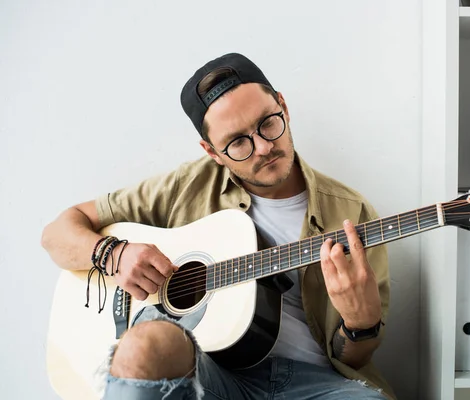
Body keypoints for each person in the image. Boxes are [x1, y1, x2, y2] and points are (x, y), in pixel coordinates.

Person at [41, 53, 395, 400]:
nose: (263, 147)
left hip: (313, 383)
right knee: (142, 345)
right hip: (208, 375)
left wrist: (360, 324)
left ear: (283, 107)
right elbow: (57, 233)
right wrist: (113, 254)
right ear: (212, 151)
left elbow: (355, 358)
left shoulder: (352, 214)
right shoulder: (185, 186)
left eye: (268, 123)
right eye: (238, 142)